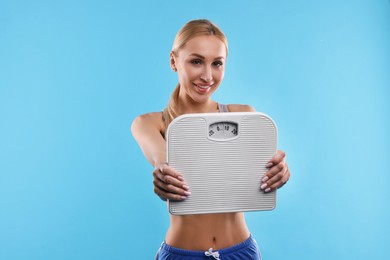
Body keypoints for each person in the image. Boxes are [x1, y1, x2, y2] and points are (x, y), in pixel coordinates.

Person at [131, 19, 290, 260]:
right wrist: (164, 172)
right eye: (196, 61)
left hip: (241, 251)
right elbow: (162, 160)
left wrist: (280, 170)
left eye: (217, 64)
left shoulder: (244, 115)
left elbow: (265, 168)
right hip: (181, 254)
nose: (207, 75)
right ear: (174, 61)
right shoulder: (150, 123)